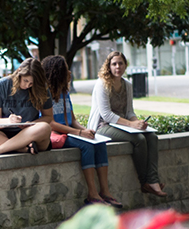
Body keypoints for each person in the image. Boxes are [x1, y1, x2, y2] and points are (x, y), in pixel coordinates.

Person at [42, 55, 122, 208]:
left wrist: (86, 130)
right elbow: (50, 123)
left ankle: (105, 191)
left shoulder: (64, 93)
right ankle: (92, 193)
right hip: (57, 135)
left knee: (99, 143)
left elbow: (72, 120)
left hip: (69, 131)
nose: (69, 72)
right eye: (65, 69)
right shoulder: (46, 95)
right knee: (87, 146)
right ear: (57, 73)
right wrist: (78, 133)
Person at [88, 51, 165, 197]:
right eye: (114, 64)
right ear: (109, 66)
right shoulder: (102, 84)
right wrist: (131, 124)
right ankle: (144, 182)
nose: (118, 67)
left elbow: (129, 111)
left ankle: (153, 181)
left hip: (122, 125)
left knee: (152, 137)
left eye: (121, 63)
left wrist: (138, 122)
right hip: (102, 126)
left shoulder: (127, 85)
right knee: (139, 140)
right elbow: (106, 115)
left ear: (125, 65)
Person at [0, 58, 53, 156]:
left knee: (45, 128)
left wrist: (32, 123)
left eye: (32, 83)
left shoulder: (42, 88)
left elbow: (48, 117)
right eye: (25, 81)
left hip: (30, 134)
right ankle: (22, 149)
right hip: (3, 135)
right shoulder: (0, 86)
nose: (28, 85)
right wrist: (9, 121)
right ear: (19, 71)